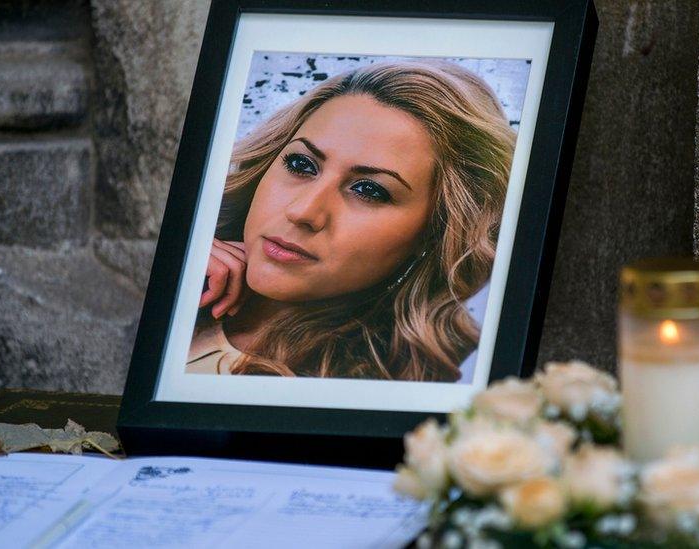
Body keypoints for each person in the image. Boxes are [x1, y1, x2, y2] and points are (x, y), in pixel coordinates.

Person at [186, 60, 516, 382]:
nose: (303, 212)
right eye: (302, 165)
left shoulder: (375, 389)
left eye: (369, 190)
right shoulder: (183, 291)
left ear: (433, 235)